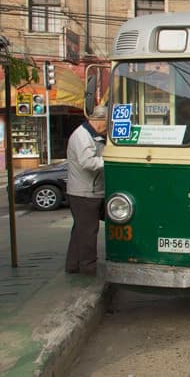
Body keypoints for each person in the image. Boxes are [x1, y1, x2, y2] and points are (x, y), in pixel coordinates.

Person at [65, 106, 108, 276]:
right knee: (88, 232)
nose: (107, 128)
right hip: (85, 193)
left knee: (80, 231)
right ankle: (87, 269)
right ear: (99, 120)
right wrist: (110, 160)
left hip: (89, 191)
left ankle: (73, 265)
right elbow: (88, 162)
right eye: (107, 124)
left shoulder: (92, 134)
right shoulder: (82, 136)